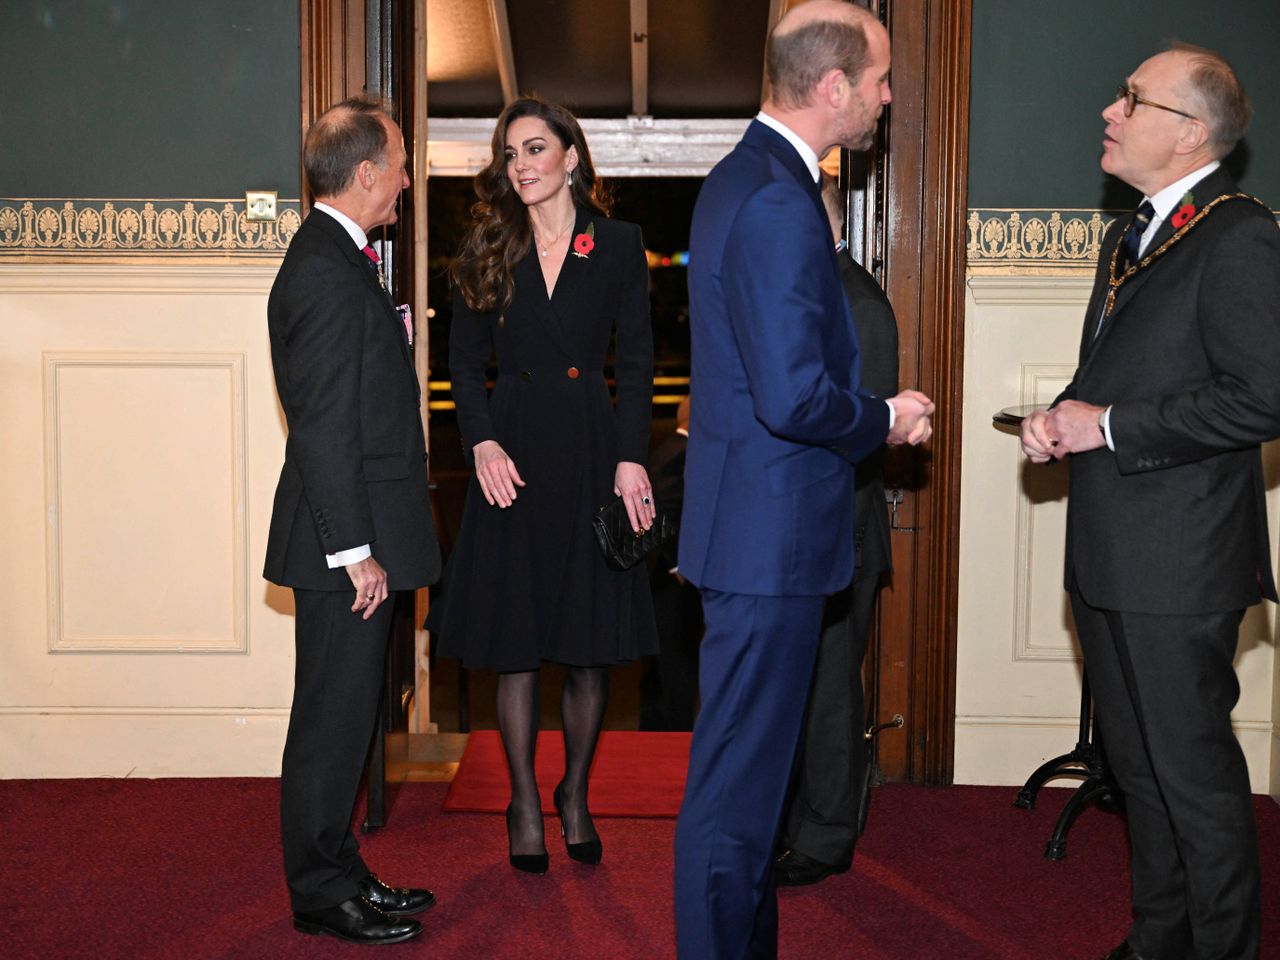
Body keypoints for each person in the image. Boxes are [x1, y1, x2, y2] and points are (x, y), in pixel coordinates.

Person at [674, 3, 934, 957]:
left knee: (749, 783)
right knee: (738, 795)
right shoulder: (782, 199)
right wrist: (886, 418)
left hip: (751, 532)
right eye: (879, 80)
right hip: (770, 543)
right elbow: (793, 398)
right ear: (833, 88)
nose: (886, 96)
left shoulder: (743, 177)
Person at [1020, 43, 1280, 960]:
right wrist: (1062, 419)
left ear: (1190, 132)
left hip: (1180, 560)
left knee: (1194, 777)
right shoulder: (1136, 227)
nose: (1110, 110)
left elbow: (1266, 394)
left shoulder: (1239, 230)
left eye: (1133, 98)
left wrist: (1112, 426)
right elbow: (1129, 378)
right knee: (1137, 770)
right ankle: (1160, 935)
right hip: (1113, 553)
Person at [427, 96, 658, 874]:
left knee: (588, 649)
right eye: (510, 153)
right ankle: (524, 801)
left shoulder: (617, 244)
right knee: (518, 647)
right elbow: (461, 364)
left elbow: (634, 364)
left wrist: (632, 457)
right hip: (514, 460)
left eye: (534, 149)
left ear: (571, 156)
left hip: (593, 451)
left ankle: (575, 793)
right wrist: (482, 438)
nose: (520, 165)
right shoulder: (488, 242)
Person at [264, 97, 442, 946]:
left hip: (354, 534)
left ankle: (339, 868)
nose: (408, 178)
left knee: (346, 713)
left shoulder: (339, 258)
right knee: (331, 719)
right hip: (344, 545)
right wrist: (356, 553)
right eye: (401, 163)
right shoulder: (326, 273)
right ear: (366, 173)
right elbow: (327, 424)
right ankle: (318, 890)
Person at [775, 172, 899, 887]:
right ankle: (801, 824)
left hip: (840, 530)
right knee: (803, 686)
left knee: (828, 689)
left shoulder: (858, 303)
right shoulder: (811, 296)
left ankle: (827, 837)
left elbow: (861, 436)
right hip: (801, 531)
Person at [639, 396, 703, 731]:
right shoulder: (682, 453)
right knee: (674, 665)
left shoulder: (668, 448)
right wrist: (680, 564)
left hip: (661, 573)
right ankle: (669, 738)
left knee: (665, 667)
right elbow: (665, 510)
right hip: (671, 575)